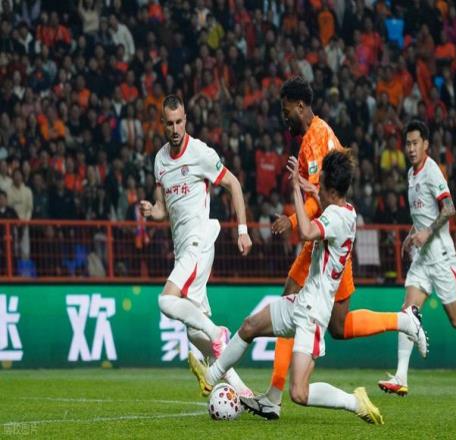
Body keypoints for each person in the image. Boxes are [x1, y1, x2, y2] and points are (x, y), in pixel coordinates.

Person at [258, 76, 427, 419]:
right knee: (338, 326)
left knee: (291, 294)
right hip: (332, 238)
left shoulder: (315, 138)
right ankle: (403, 321)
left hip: (327, 238)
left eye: (286, 110)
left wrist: (292, 222)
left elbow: (319, 200)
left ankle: (273, 397)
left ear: (300, 106)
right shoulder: (315, 135)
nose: (284, 117)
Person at [188, 151, 384, 425]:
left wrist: (295, 190)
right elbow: (327, 206)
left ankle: (355, 401)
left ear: (331, 191)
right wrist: (311, 189)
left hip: (313, 316)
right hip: (302, 302)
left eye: (321, 184)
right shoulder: (347, 210)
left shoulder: (337, 218)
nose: (317, 188)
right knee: (250, 326)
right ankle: (210, 377)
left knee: (299, 393)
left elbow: (306, 231)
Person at [139, 95, 253, 396]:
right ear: (162, 124)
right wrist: (152, 210)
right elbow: (163, 208)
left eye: (179, 122)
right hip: (183, 248)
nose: (175, 129)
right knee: (194, 332)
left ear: (185, 120)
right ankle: (243, 392)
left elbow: (234, 184)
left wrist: (243, 230)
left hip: (199, 241)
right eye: (169, 123)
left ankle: (217, 332)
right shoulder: (160, 161)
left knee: (166, 301)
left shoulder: (201, 152)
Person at [378, 120, 456, 396]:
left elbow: (449, 208)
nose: (411, 148)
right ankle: (400, 376)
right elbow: (423, 215)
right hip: (422, 258)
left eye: (415, 143)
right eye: (408, 144)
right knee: (407, 312)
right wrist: (412, 234)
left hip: (441, 256)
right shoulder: (411, 174)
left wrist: (427, 232)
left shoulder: (432, 171)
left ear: (426, 145)